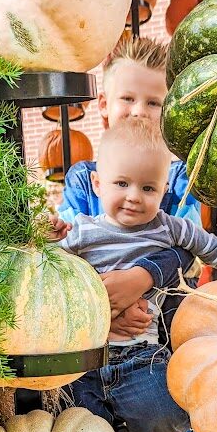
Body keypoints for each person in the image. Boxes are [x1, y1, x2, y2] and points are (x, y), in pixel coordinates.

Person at [50, 119, 217, 432]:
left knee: (170, 418)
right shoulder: (82, 231)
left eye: (148, 188)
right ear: (97, 184)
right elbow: (48, 269)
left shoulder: (170, 229)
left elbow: (216, 249)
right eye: (121, 183)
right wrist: (47, 237)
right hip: (85, 358)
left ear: (164, 189)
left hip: (140, 355)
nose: (133, 197)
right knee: (82, 431)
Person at [58, 36, 201, 346]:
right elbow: (66, 260)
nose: (139, 111)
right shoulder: (83, 179)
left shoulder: (179, 179)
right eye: (127, 98)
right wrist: (111, 311)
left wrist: (143, 277)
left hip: (164, 322)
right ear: (104, 104)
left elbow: (191, 253)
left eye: (153, 102)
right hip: (95, 320)